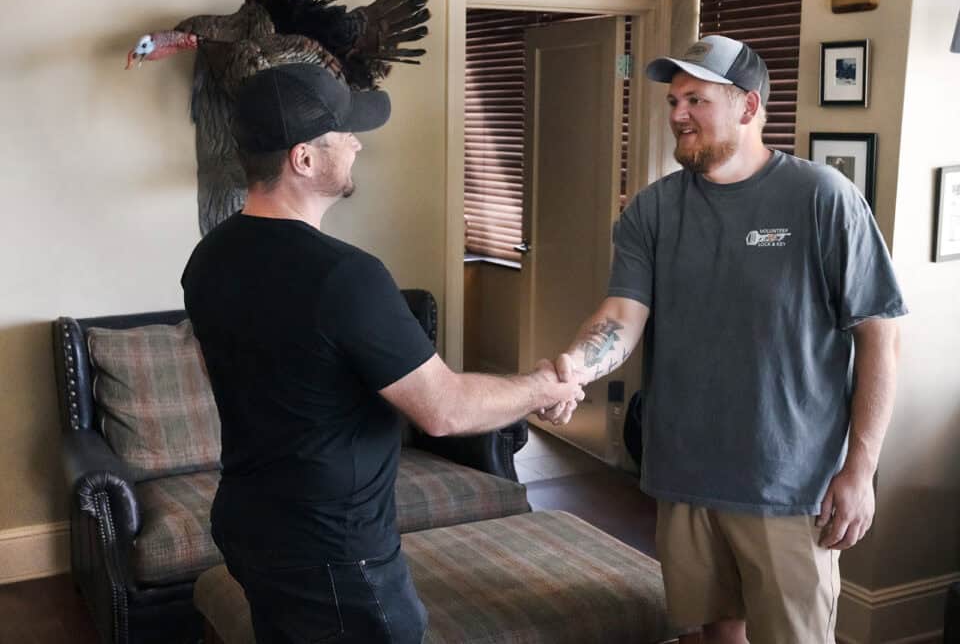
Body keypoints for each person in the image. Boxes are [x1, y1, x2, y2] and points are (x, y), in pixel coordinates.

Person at [181, 63, 583, 644]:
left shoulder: (209, 258)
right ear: (304, 159)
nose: (357, 142)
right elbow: (444, 410)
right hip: (334, 552)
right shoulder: (346, 277)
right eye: (343, 131)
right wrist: (544, 387)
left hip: (249, 522)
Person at [546, 35, 906, 644]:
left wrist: (860, 468)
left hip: (790, 483)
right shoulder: (652, 211)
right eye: (673, 100)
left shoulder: (821, 199)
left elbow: (880, 337)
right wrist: (574, 369)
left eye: (696, 99)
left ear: (747, 105)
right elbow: (623, 314)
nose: (678, 114)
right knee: (709, 635)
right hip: (685, 473)